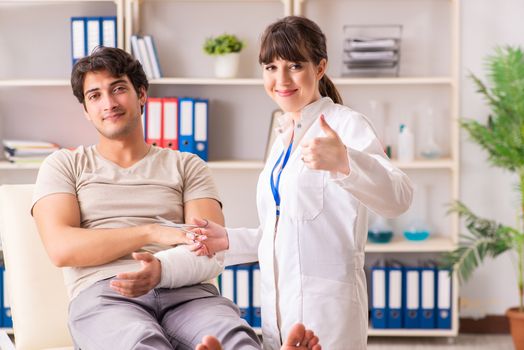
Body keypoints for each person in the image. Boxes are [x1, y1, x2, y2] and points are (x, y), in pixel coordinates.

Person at [178, 16, 414, 349]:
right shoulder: (282, 135)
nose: (281, 79)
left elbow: (399, 197)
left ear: (320, 67)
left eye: (294, 65)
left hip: (328, 314)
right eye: (270, 67)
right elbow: (285, 232)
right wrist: (227, 240)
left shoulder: (346, 126)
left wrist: (346, 161)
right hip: (277, 312)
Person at [31, 46, 262, 349]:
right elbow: (62, 248)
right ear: (86, 111)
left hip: (188, 292)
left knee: (234, 340)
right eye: (95, 95)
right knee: (139, 344)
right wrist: (151, 231)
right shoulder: (64, 165)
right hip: (107, 294)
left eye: (118, 89)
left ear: (141, 94)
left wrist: (162, 270)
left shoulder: (187, 165)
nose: (109, 103)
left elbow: (210, 247)